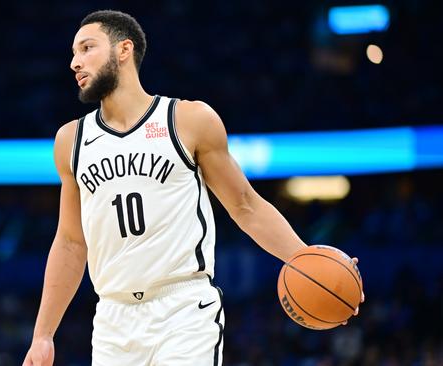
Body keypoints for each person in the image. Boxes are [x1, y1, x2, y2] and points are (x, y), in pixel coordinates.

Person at [23, 10, 362, 366]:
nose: (75, 62)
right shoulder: (71, 141)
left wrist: (307, 259)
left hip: (182, 309)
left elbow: (245, 205)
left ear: (124, 50)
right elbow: (71, 242)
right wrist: (43, 335)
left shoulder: (187, 120)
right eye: (73, 54)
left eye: (87, 48)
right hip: (112, 318)